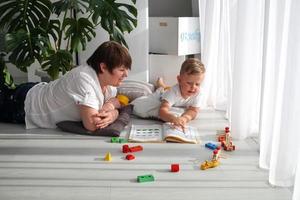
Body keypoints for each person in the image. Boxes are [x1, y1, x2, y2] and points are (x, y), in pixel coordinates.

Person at [0, 41, 131, 131]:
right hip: (22, 104)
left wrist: (111, 106)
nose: (126, 74)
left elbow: (115, 100)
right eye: (121, 70)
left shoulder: (108, 83)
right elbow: (93, 124)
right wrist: (113, 113)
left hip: (37, 90)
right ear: (103, 67)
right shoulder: (84, 79)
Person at [131, 58, 205, 131]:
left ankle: (161, 84)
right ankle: (160, 84)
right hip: (160, 96)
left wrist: (184, 118)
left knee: (165, 89)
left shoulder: (198, 93)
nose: (193, 87)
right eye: (189, 83)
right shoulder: (173, 92)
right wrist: (173, 119)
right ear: (179, 80)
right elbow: (162, 110)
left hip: (167, 92)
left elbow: (194, 110)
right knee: (161, 92)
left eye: (197, 84)